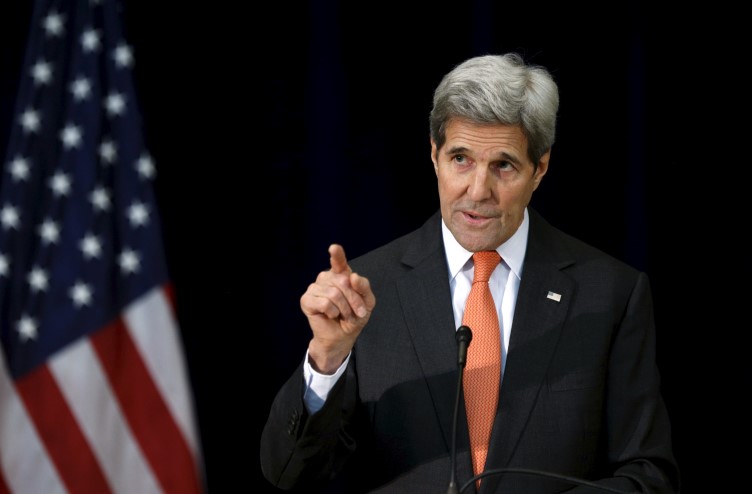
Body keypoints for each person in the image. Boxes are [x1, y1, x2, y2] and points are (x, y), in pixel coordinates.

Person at [260, 52, 680, 493]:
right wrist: (327, 358)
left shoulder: (610, 293)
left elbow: (649, 475)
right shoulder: (366, 292)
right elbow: (290, 473)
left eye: (503, 165)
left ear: (540, 168)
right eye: (460, 159)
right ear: (433, 154)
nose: (478, 191)